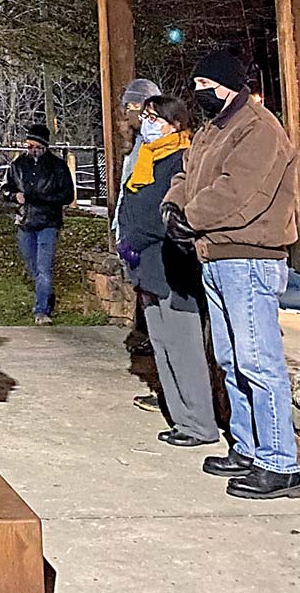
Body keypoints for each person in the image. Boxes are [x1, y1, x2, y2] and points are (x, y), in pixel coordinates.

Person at [163, 51, 300, 499]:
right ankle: (247, 447)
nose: (200, 91)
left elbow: (239, 190)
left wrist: (191, 216)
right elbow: (187, 175)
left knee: (258, 361)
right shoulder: (212, 130)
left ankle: (280, 462)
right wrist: (173, 205)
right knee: (230, 360)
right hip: (216, 255)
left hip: (250, 257)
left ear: (229, 85)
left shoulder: (259, 129)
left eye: (207, 83)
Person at [116, 95, 218, 447]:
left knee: (183, 347)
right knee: (161, 344)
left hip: (172, 267)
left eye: (155, 118)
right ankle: (181, 418)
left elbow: (167, 213)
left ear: (175, 124)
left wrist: (136, 237)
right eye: (145, 116)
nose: (148, 123)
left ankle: (199, 422)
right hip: (147, 269)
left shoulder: (181, 159)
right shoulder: (146, 158)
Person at [115, 79, 163, 387]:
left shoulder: (153, 143)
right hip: (132, 232)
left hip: (150, 236)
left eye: (136, 107)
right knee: (144, 297)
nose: (131, 113)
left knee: (158, 307)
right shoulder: (133, 145)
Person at [3, 124, 75, 325]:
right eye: (29, 145)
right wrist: (13, 196)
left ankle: (41, 309)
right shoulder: (18, 165)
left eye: (35, 145)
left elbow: (67, 195)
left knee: (44, 267)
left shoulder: (57, 166)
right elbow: (6, 188)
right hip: (25, 221)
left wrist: (43, 198)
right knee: (32, 266)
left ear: (44, 146)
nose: (31, 149)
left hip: (47, 222)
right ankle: (46, 294)